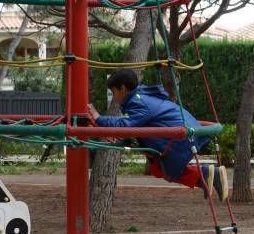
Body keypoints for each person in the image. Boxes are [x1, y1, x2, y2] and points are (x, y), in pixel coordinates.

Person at [88, 68, 228, 201]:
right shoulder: (140, 96)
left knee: (167, 171)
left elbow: (126, 126)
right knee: (158, 170)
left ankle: (206, 175)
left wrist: (98, 118)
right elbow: (129, 122)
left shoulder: (139, 102)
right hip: (182, 133)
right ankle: (207, 177)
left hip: (180, 138)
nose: (114, 97)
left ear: (123, 89)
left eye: (113, 92)